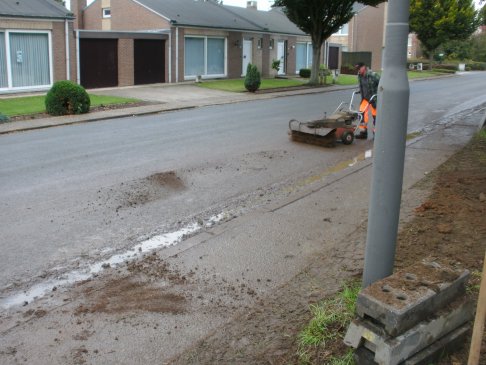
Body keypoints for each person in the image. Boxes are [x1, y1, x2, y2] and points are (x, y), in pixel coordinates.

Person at [355, 62, 380, 139]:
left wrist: (379, 92)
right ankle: (363, 133)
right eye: (357, 69)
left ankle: (376, 134)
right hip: (365, 98)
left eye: (359, 68)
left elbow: (382, 84)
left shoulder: (373, 75)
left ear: (364, 67)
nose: (358, 70)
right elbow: (362, 86)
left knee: (376, 117)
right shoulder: (359, 76)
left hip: (374, 99)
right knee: (361, 114)